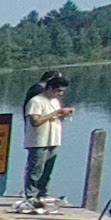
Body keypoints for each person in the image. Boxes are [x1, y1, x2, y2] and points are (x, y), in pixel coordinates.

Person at [20, 73, 73, 209]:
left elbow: (55, 117)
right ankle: (31, 196)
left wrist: (63, 114)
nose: (60, 94)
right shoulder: (36, 101)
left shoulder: (55, 102)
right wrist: (56, 113)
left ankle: (43, 195)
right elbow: (35, 121)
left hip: (53, 139)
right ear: (50, 88)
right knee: (36, 169)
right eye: (59, 91)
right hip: (39, 141)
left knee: (47, 171)